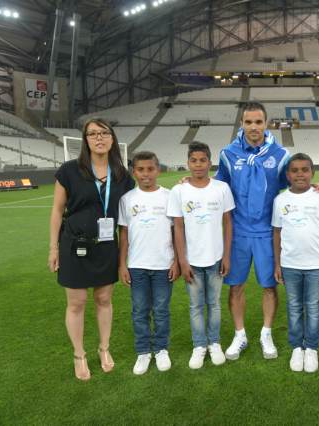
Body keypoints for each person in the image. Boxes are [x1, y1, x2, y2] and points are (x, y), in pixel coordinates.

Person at [48, 118, 134, 381]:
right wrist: (53, 248)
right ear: (85, 140)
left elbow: (128, 219)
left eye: (104, 133)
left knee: (104, 299)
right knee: (76, 302)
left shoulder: (122, 175)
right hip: (74, 246)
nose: (99, 138)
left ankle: (104, 348)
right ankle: (79, 354)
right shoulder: (69, 170)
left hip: (106, 247)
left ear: (112, 138)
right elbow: (57, 210)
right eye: (92, 134)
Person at [215, 102, 290, 360]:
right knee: (235, 286)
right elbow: (216, 188)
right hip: (237, 233)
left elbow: (295, 185)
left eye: (259, 122)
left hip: (267, 233)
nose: (254, 127)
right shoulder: (228, 153)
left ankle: (266, 333)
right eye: (249, 122)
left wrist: (317, 187)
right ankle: (240, 334)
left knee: (270, 286)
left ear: (266, 124)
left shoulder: (281, 155)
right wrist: (189, 182)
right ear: (242, 124)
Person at [169, 142, 235, 369]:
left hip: (216, 258)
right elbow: (177, 227)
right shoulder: (179, 191)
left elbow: (228, 223)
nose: (198, 165)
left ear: (210, 162)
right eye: (193, 160)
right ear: (188, 163)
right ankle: (199, 345)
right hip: (191, 261)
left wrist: (227, 256)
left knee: (214, 303)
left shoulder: (221, 188)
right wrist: (182, 261)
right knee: (195, 305)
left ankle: (214, 343)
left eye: (202, 160)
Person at [272, 153, 319, 373]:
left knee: (313, 308)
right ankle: (296, 347)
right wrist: (277, 264)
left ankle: (311, 348)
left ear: (312, 172)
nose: (300, 174)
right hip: (290, 264)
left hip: (316, 265)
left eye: (305, 170)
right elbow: (277, 234)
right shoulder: (280, 200)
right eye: (295, 170)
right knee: (293, 307)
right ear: (288, 175)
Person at [118, 151, 180, 375]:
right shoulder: (127, 199)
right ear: (133, 172)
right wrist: (122, 264)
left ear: (158, 170)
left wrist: (176, 262)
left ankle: (161, 349)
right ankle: (143, 351)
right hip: (137, 265)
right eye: (140, 170)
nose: (145, 174)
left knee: (162, 310)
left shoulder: (169, 196)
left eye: (150, 169)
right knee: (139, 311)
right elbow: (123, 234)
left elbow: (176, 232)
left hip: (164, 264)